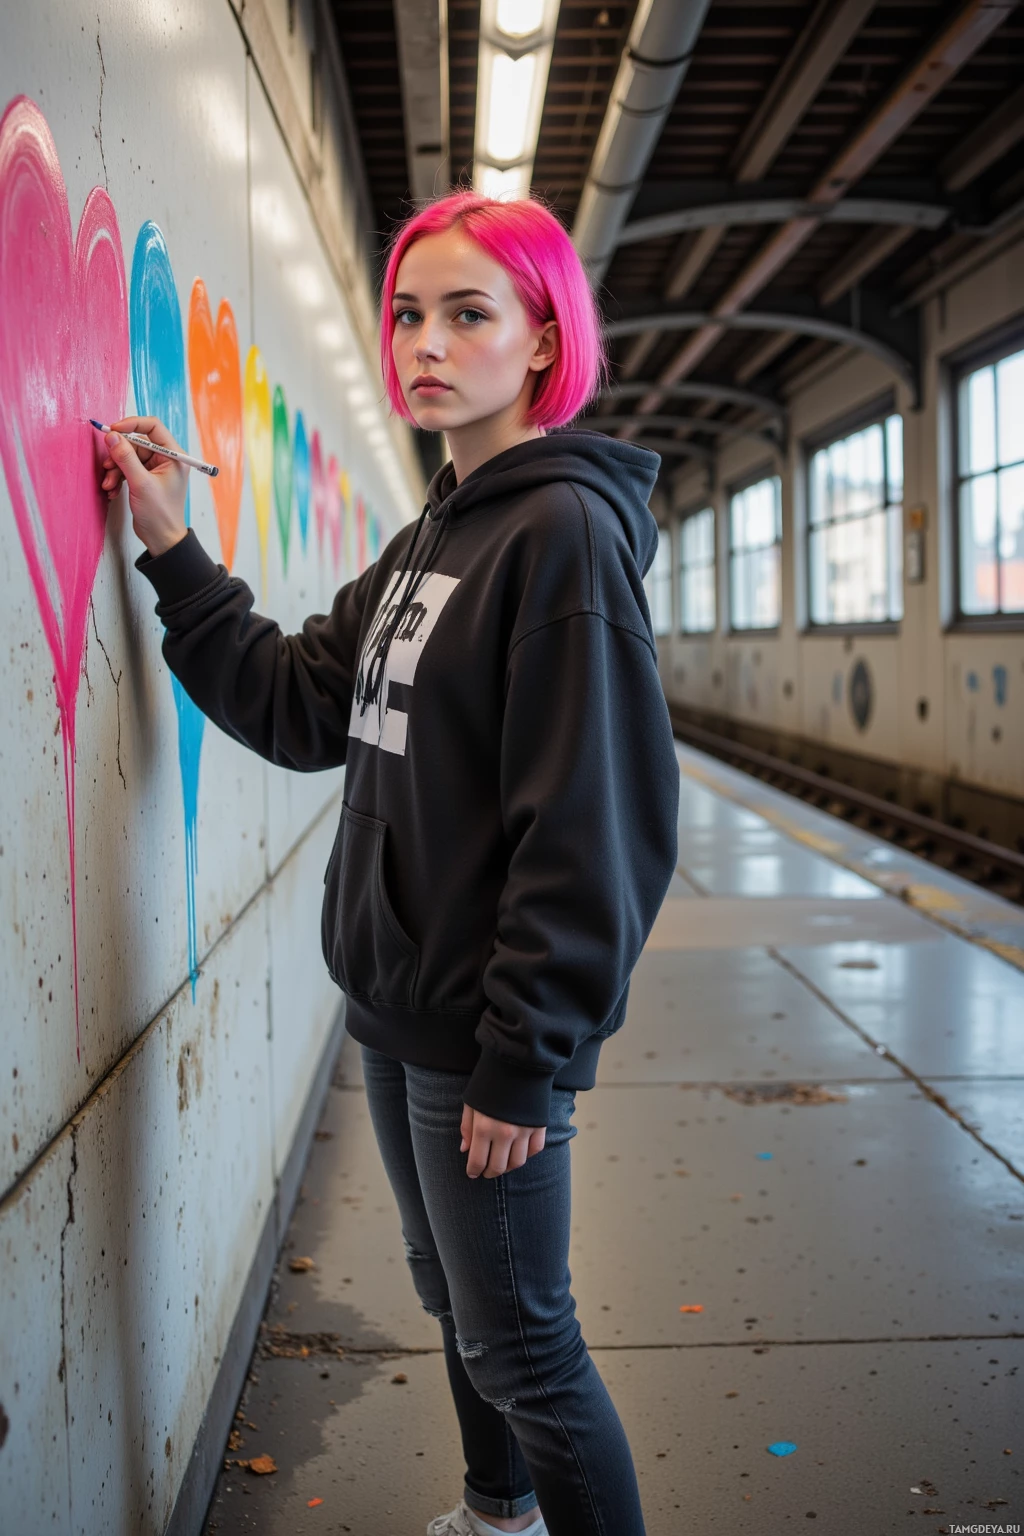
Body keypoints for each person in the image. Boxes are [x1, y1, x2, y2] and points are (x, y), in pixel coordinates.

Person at [100, 190, 679, 1536]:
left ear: (542, 340)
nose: (425, 339)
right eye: (409, 311)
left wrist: (525, 1056)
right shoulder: (435, 535)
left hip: (481, 1031)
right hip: (398, 1007)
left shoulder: (562, 540)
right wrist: (175, 548)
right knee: (459, 1310)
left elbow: (593, 824)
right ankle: (499, 1518)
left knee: (526, 1346)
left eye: (469, 312)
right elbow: (305, 705)